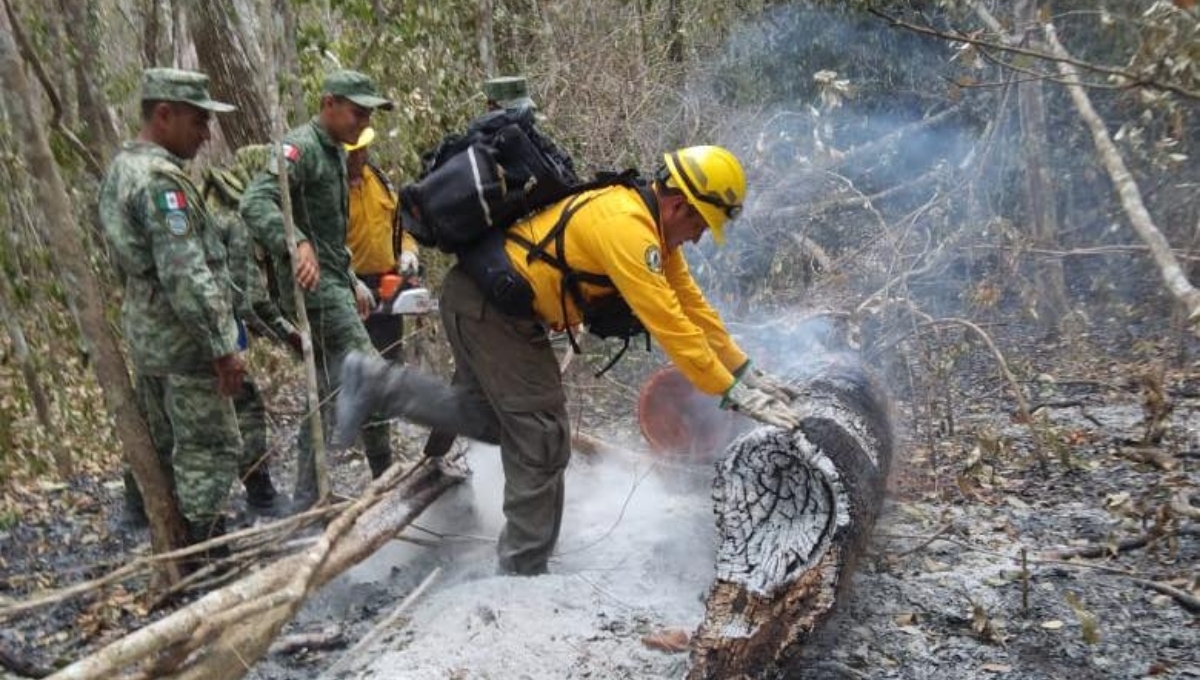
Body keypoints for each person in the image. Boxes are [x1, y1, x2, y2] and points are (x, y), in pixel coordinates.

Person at [333, 145, 802, 575]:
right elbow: (672, 328)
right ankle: (522, 569)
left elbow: (693, 309)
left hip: (485, 303)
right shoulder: (626, 228)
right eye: (701, 225)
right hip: (489, 311)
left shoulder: (651, 225)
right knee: (541, 434)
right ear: (679, 205)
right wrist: (730, 392)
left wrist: (742, 370)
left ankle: (377, 383)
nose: (698, 238)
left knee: (499, 423)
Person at [240, 69, 396, 512]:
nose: (363, 123)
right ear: (329, 104)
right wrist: (295, 243)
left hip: (332, 280)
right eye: (357, 113)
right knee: (371, 371)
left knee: (328, 391)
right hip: (310, 287)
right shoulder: (301, 147)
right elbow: (255, 201)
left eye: (368, 115)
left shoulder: (333, 151)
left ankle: (309, 500)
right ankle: (387, 477)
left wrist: (351, 282)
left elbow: (328, 235)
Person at [100, 68, 244, 546]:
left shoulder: (122, 168)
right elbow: (185, 272)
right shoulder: (163, 185)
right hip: (184, 346)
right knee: (207, 448)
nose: (206, 135)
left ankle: (178, 551)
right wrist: (223, 347)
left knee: (167, 448)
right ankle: (207, 561)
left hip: (149, 340)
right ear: (163, 114)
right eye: (198, 122)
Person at [200, 146, 307, 516]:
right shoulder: (239, 221)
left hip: (182, 329)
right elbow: (249, 301)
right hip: (217, 327)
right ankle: (260, 494)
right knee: (245, 406)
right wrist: (290, 335)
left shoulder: (210, 214)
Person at [344, 126, 420, 361]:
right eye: (353, 153)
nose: (359, 157)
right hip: (351, 290)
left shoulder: (379, 181)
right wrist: (352, 282)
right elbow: (323, 247)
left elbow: (400, 228)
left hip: (387, 286)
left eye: (362, 150)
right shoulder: (331, 191)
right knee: (358, 367)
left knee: (391, 361)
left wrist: (408, 253)